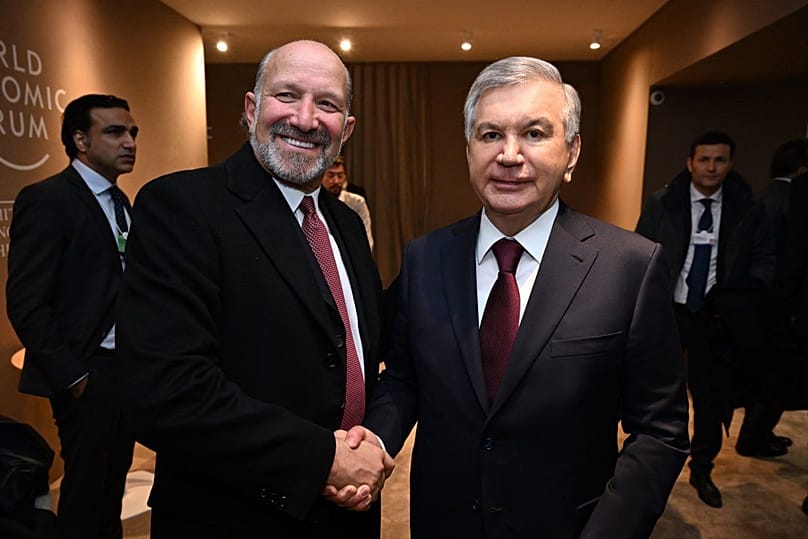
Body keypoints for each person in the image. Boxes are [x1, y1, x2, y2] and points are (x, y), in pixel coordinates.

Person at [344, 56, 690, 538]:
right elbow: (405, 378)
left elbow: (660, 431)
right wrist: (376, 440)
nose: (509, 155)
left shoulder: (630, 266)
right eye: (490, 135)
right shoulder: (427, 257)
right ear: (469, 151)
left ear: (571, 152)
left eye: (533, 133)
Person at [114, 40, 392, 538]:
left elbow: (364, 358)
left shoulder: (347, 225)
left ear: (345, 130)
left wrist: (368, 449)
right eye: (287, 96)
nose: (305, 120)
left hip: (350, 514)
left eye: (326, 104)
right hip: (234, 515)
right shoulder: (182, 207)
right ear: (251, 108)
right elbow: (164, 392)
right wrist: (323, 459)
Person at [6, 94, 139, 538]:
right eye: (115, 132)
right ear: (80, 140)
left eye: (132, 132)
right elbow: (26, 301)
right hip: (87, 373)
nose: (129, 142)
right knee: (85, 493)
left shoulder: (121, 203)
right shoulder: (47, 200)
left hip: (125, 368)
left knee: (111, 485)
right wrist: (74, 378)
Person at [636, 131, 775, 508]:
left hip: (716, 317)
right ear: (690, 163)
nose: (711, 167)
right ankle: (639, 466)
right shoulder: (663, 204)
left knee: (711, 399)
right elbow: (639, 252)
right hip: (669, 311)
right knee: (651, 392)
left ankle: (701, 466)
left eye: (720, 160)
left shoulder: (747, 209)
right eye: (704, 160)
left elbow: (764, 260)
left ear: (730, 164)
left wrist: (742, 297)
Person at [736, 138, 807, 456]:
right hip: (779, 305)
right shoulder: (791, 200)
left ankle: (759, 432)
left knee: (769, 376)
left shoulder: (764, 196)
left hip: (762, 302)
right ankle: (755, 436)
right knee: (776, 378)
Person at [323, 155, 374, 251]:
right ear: (321, 177)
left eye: (340, 176)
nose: (336, 181)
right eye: (331, 176)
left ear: (345, 178)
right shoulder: (314, 203)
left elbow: (367, 236)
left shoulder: (357, 202)